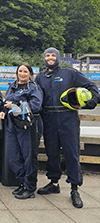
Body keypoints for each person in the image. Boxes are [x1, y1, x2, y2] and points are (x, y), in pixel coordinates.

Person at [35, 47, 100, 208]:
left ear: (57, 57)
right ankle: (54, 183)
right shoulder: (40, 77)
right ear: (44, 58)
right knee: (52, 152)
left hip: (68, 118)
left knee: (71, 152)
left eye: (53, 55)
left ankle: (74, 188)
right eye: (47, 55)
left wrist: (92, 101)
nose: (50, 58)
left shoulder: (69, 73)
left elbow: (92, 86)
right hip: (48, 119)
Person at [0, 63, 43, 199]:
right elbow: (7, 102)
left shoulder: (34, 87)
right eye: (20, 71)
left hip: (28, 126)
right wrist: (3, 111)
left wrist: (16, 105)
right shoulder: (13, 85)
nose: (22, 74)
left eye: (25, 72)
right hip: (12, 125)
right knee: (12, 157)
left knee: (29, 158)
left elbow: (36, 106)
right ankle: (22, 182)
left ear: (30, 74)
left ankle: (29, 188)